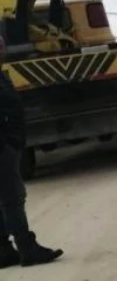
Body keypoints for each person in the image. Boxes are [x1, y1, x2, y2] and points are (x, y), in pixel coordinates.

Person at [0, 36, 62, 268]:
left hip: (7, 143)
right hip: (3, 147)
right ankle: (27, 248)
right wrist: (6, 143)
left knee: (5, 198)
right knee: (12, 198)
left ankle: (4, 250)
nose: (3, 48)